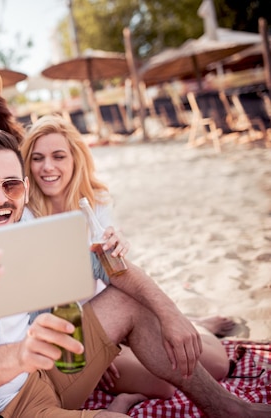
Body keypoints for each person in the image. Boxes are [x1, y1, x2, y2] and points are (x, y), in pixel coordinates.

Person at [0, 129, 271, 418]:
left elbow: (111, 268)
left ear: (26, 189)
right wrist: (22, 354)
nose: (0, 199)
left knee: (127, 299)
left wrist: (171, 315)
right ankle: (118, 405)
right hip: (7, 407)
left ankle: (227, 408)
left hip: (48, 371)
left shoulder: (30, 233)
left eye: (11, 186)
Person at [21, 114, 232, 398]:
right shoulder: (25, 215)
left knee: (219, 364)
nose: (47, 167)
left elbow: (116, 275)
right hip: (74, 329)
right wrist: (93, 344)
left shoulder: (94, 204)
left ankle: (193, 322)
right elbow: (37, 301)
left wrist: (117, 244)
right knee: (165, 385)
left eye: (58, 156)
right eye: (37, 158)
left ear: (75, 160)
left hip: (112, 311)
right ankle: (179, 323)